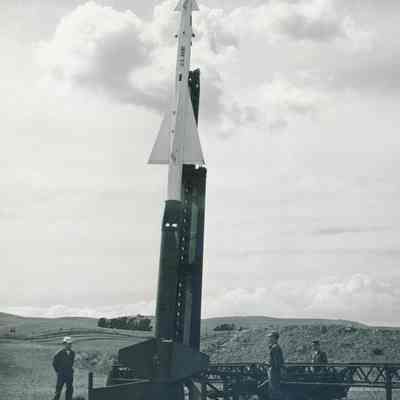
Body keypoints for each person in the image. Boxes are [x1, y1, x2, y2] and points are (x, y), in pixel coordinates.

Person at [268, 331, 285, 400]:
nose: (269, 339)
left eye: (271, 337)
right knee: (275, 389)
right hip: (275, 371)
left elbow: (276, 362)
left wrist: (268, 363)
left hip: (274, 371)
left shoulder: (275, 348)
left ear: (275, 338)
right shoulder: (275, 347)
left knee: (274, 390)